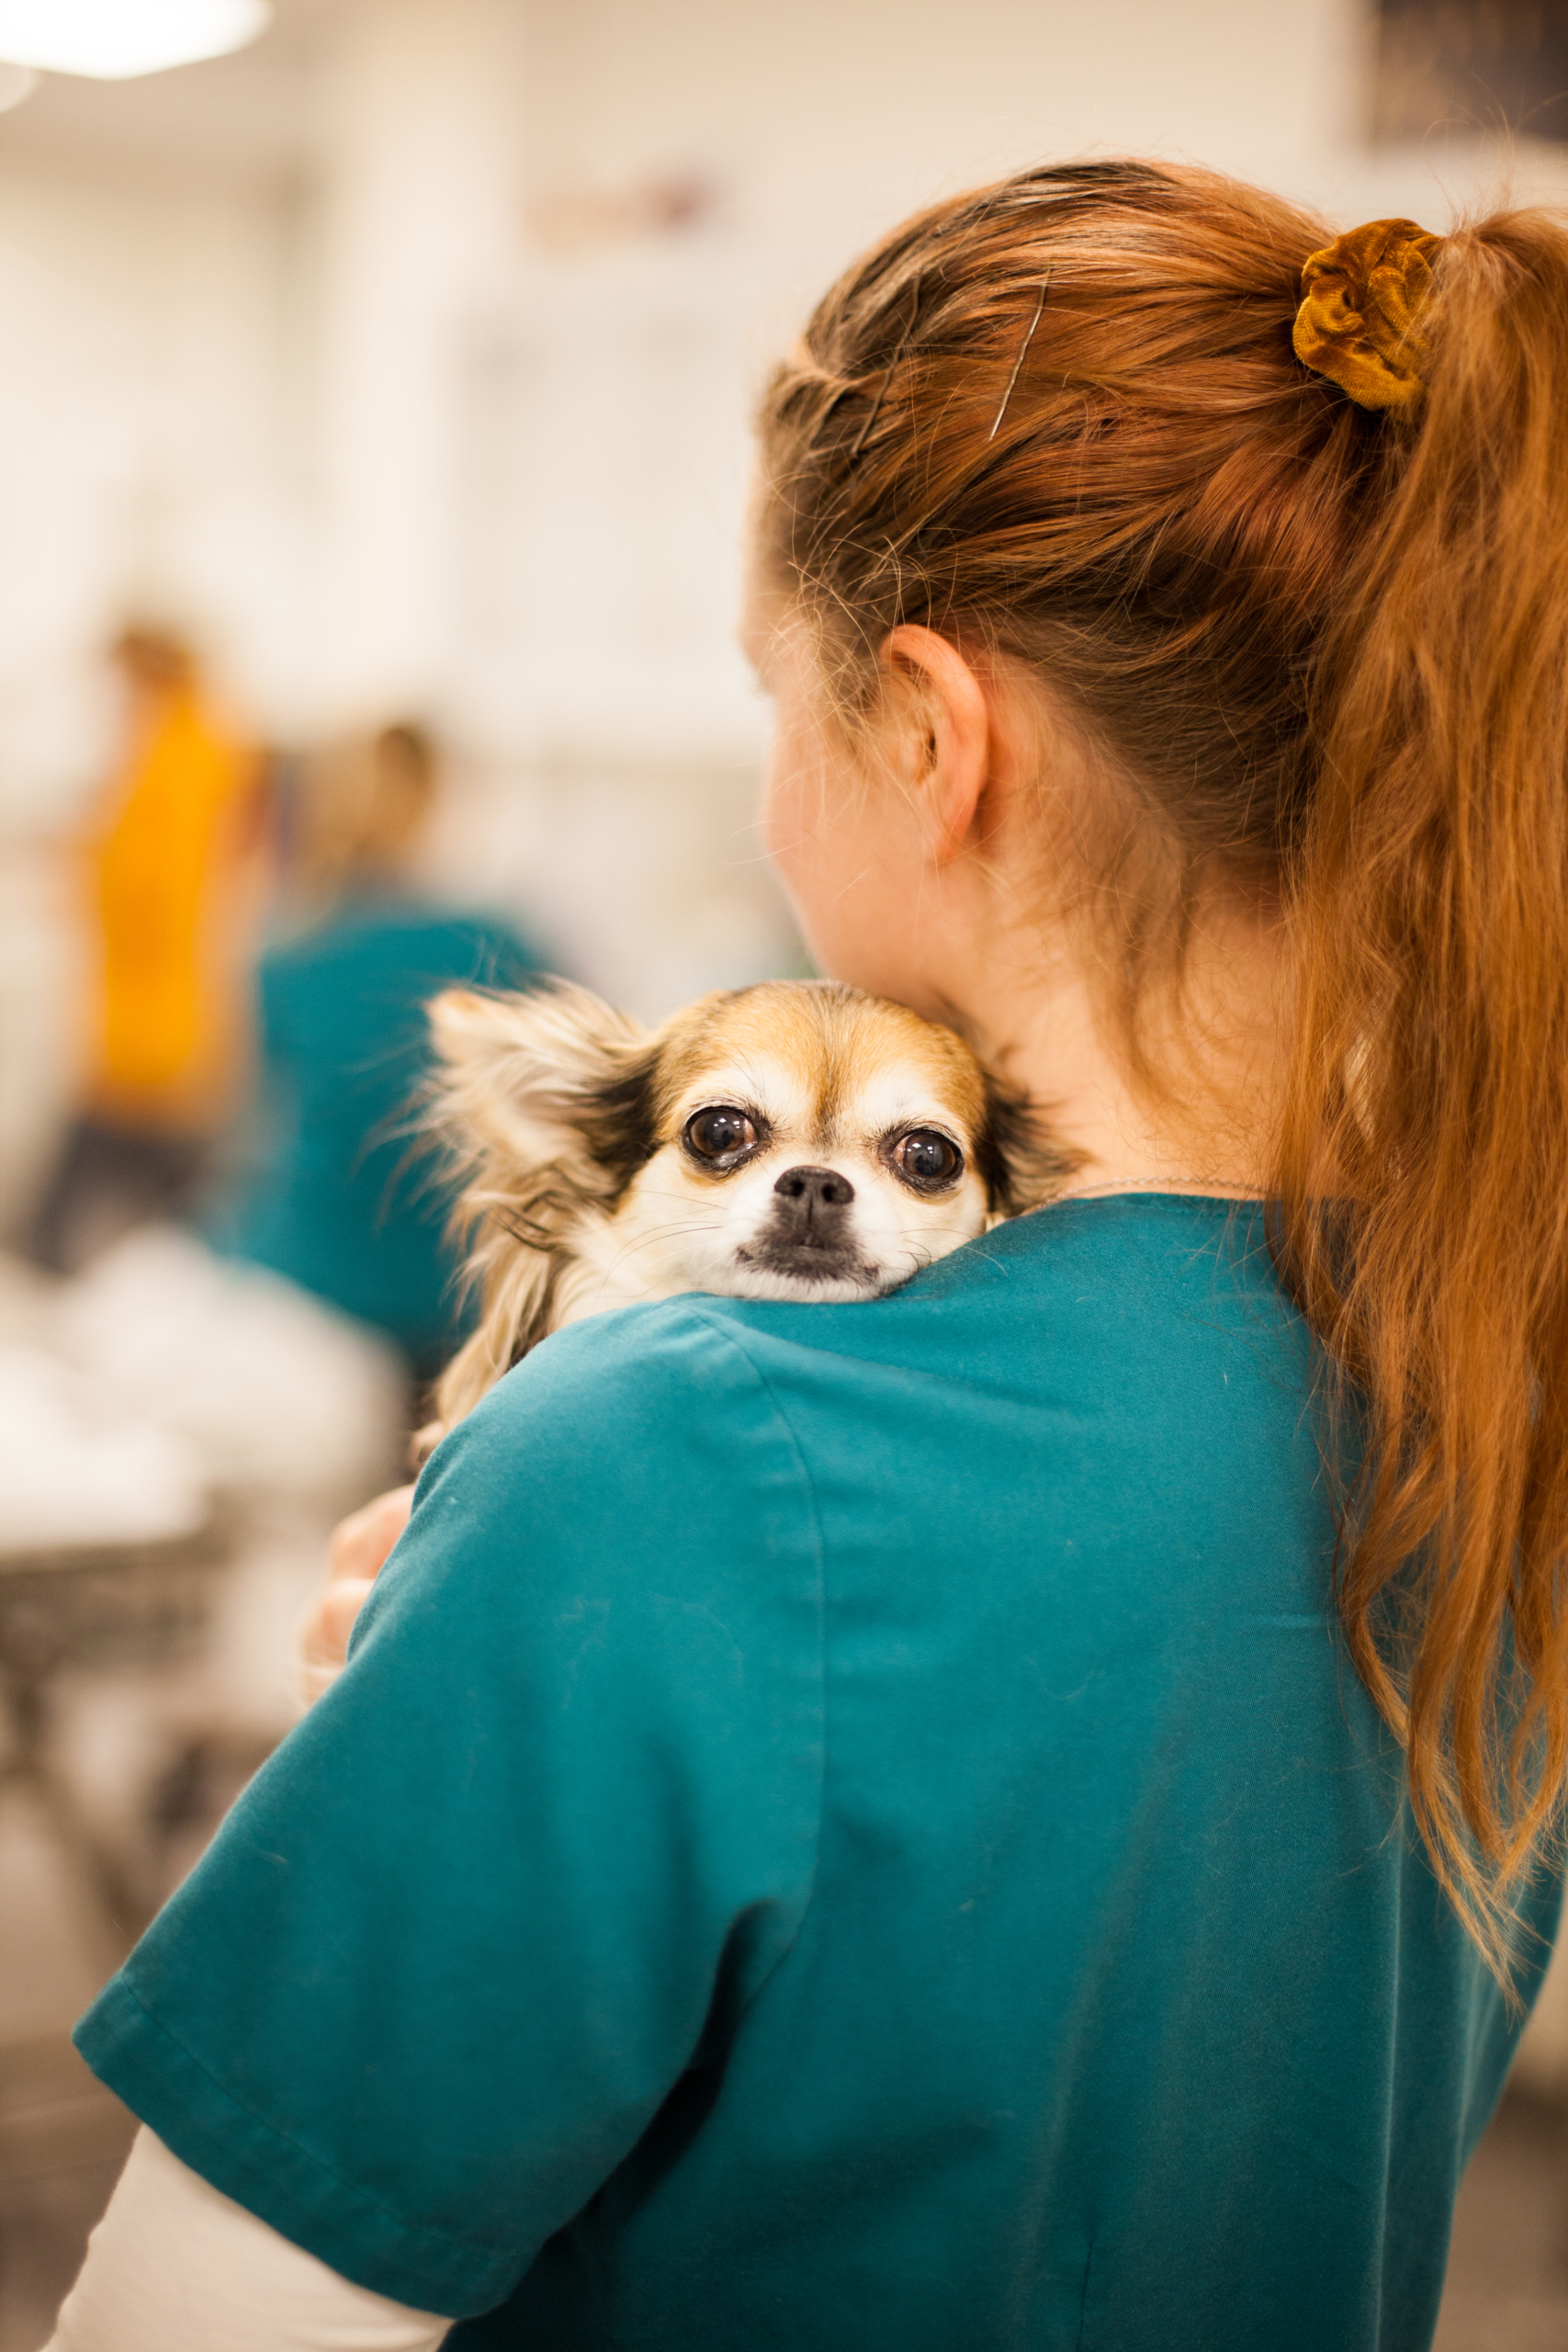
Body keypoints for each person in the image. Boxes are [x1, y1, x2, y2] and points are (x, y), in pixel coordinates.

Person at [45, 165, 1568, 2352]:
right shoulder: (1470, 1388)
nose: (769, 786)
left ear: (928, 736)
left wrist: (537, 1600)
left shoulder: (678, 1448)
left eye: (772, 692)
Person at [212, 721, 544, 1381]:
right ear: (433, 804)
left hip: (308, 1283)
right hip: (457, 1289)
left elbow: (247, 1123)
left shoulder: (288, 949)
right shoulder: (493, 943)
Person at [27, 625, 261, 1272]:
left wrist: (87, 866)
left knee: (140, 1163)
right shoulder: (169, 745)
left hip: (161, 999)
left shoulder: (188, 752)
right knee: (152, 1172)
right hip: (142, 998)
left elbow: (156, 881)